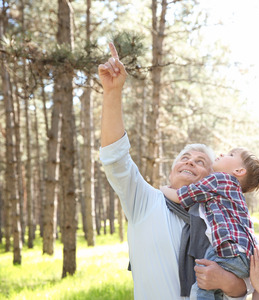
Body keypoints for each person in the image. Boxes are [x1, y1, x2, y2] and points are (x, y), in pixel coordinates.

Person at [98, 42, 248, 300]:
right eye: (185, 158)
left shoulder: (222, 217)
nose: (190, 162)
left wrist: (224, 280)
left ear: (213, 179)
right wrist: (113, 93)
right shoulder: (145, 201)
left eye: (201, 161)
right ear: (172, 170)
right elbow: (116, 158)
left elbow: (247, 284)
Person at [162, 148, 259, 299]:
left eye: (230, 155)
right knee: (213, 292)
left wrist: (161, 189)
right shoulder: (231, 192)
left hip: (228, 251)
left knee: (200, 288)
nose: (222, 154)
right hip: (244, 256)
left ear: (239, 170)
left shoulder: (219, 179)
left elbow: (181, 196)